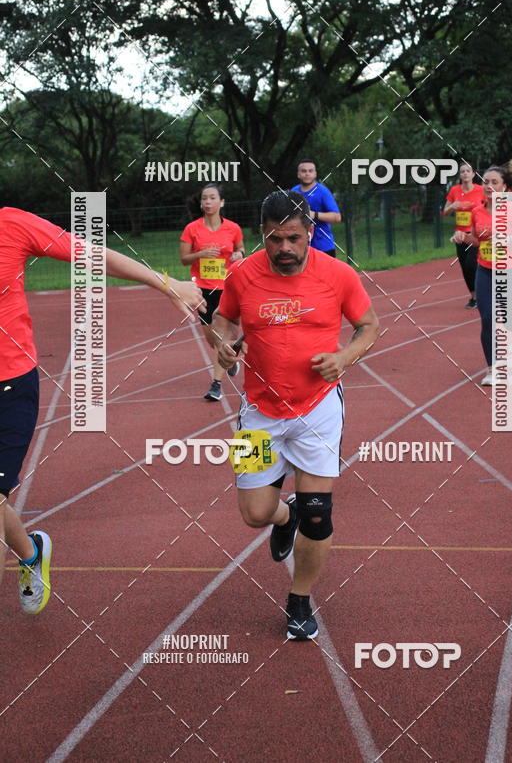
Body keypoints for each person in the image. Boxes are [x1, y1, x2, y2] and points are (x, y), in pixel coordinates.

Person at [0, 206, 203, 614]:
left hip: (11, 383)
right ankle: (30, 552)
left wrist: (166, 284)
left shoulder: (11, 223)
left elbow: (94, 255)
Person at [213, 190, 379, 640]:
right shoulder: (242, 276)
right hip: (258, 412)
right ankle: (283, 517)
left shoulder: (338, 275)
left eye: (292, 238)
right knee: (254, 513)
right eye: (273, 240)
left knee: (318, 512)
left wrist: (345, 358)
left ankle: (300, 598)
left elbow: (369, 326)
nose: (283, 249)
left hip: (319, 408)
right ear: (261, 236)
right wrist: (223, 344)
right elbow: (223, 321)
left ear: (310, 233)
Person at [451, 161, 512, 385]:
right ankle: (493, 369)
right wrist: (462, 237)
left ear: (505, 187)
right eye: (486, 182)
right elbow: (476, 239)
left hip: (510, 272)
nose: (489, 186)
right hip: (486, 270)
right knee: (488, 319)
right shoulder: (476, 212)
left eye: (494, 182)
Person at [180, 183, 245, 401]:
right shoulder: (192, 229)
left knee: (222, 334)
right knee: (212, 339)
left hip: (227, 287)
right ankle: (228, 359)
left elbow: (240, 249)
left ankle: (216, 384)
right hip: (203, 288)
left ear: (222, 202)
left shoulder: (233, 228)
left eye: (212, 198)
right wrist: (201, 254)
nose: (207, 202)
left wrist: (238, 255)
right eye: (204, 199)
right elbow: (183, 259)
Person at [442, 162, 485, 307]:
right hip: (460, 235)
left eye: (468, 171)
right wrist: (452, 207)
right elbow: (444, 211)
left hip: (475, 233)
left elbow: (489, 207)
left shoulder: (481, 190)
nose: (465, 173)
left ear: (473, 174)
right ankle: (473, 297)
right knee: (465, 266)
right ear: (460, 175)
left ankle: (482, 293)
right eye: (462, 171)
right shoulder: (454, 190)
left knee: (471, 263)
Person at [291, 159, 342, 256]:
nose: (307, 174)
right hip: (301, 246)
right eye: (303, 171)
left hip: (323, 246)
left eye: (310, 171)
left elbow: (337, 217)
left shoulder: (323, 192)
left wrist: (314, 214)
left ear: (315, 174)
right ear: (298, 174)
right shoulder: (294, 192)